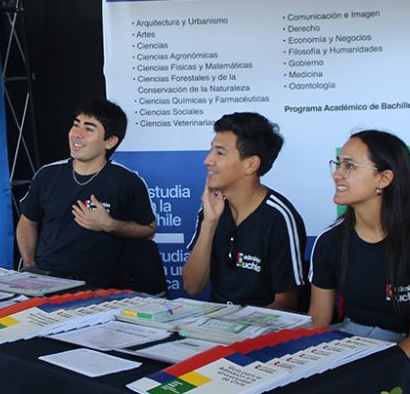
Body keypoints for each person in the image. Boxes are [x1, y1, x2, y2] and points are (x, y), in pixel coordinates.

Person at [308, 129, 410, 394]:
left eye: (349, 166)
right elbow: (318, 321)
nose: (337, 174)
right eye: (338, 164)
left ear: (384, 179)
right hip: (348, 345)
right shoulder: (329, 241)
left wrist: (356, 372)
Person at [16, 99, 156, 287]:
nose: (77, 134)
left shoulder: (127, 182)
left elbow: (149, 230)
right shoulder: (47, 175)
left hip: (98, 286)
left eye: (89, 129)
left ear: (110, 141)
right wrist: (29, 265)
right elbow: (28, 221)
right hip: (45, 279)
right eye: (76, 125)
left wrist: (110, 225)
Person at [182, 112, 306, 309]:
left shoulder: (279, 217)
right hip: (216, 319)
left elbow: (286, 302)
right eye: (211, 150)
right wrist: (209, 223)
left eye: (220, 153)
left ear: (251, 164)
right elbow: (192, 286)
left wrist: (242, 323)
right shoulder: (212, 206)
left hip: (261, 325)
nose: (207, 160)